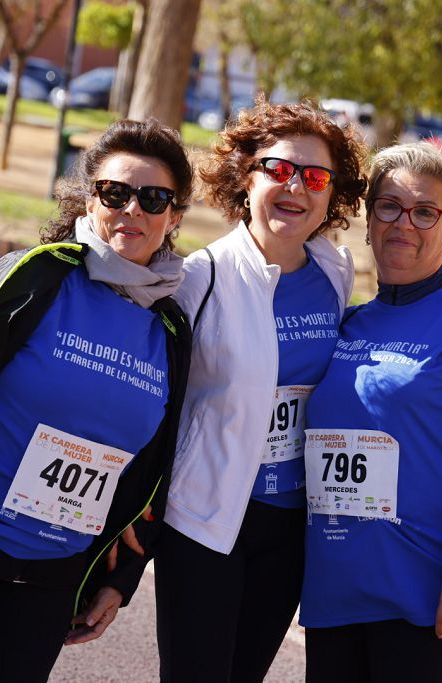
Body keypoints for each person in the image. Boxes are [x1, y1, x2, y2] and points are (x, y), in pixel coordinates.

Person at [0, 118, 194, 683]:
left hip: (54, 566)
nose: (132, 211)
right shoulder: (37, 276)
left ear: (175, 215)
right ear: (89, 200)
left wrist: (118, 578)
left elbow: (154, 466)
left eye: (153, 198)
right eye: (115, 193)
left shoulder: (170, 329)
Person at [300, 142, 442, 682]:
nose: (404, 223)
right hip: (336, 589)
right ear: (368, 218)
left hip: (426, 598)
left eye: (425, 211)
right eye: (389, 205)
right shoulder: (349, 322)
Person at [153, 98, 367, 682]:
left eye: (315, 176)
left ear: (330, 195)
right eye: (277, 169)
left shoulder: (334, 272)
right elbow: (160, 402)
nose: (295, 185)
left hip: (291, 526)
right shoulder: (200, 278)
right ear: (245, 176)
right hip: (208, 520)